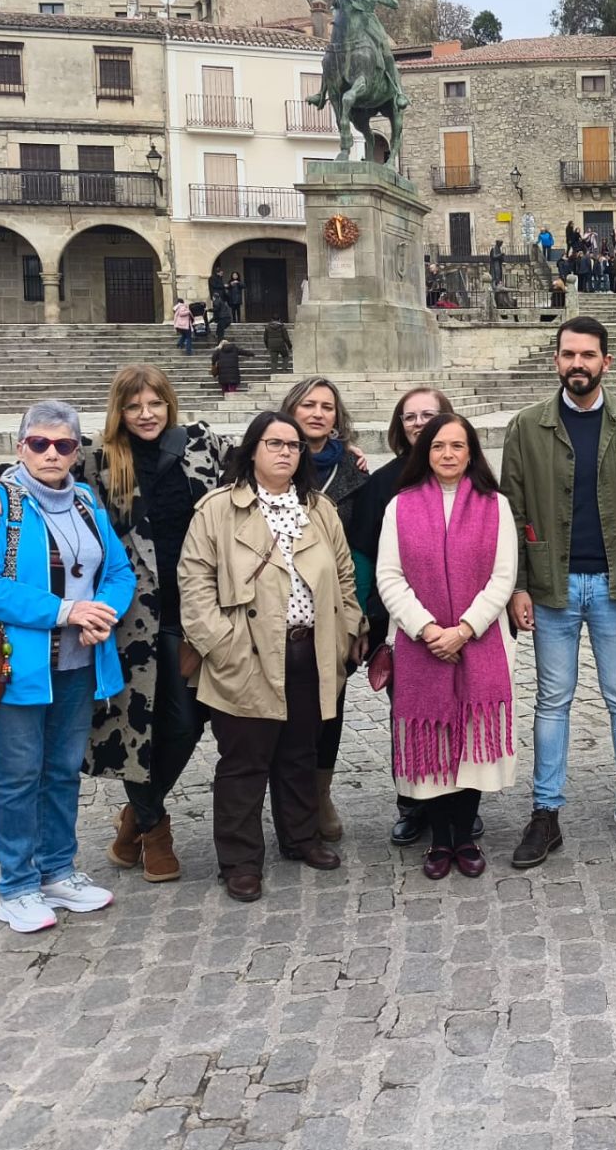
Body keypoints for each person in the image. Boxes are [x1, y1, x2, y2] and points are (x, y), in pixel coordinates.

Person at [0, 369, 232, 885]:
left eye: (155, 403)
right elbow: (37, 464)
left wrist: (345, 458)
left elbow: (267, 457)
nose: (146, 414)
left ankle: (134, 818)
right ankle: (153, 827)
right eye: (134, 406)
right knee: (137, 728)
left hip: (191, 608)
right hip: (125, 623)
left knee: (184, 723)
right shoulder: (96, 457)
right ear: (119, 412)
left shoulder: (204, 446)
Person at [0, 401, 136, 931]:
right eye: (39, 443)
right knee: (17, 776)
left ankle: (57, 870)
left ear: (77, 452)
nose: (51, 453)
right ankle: (16, 885)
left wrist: (103, 613)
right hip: (17, 667)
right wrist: (65, 611)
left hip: (79, 663)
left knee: (61, 771)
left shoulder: (85, 501)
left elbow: (119, 571)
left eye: (62, 444)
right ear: (21, 448)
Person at [179, 411, 366, 903]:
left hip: (311, 649)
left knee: (300, 752)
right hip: (247, 651)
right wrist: (223, 646)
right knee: (244, 760)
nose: (285, 452)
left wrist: (345, 630)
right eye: (274, 443)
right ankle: (240, 859)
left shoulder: (318, 508)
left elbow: (344, 576)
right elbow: (195, 586)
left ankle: (300, 836)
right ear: (253, 449)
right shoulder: (217, 509)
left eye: (294, 445)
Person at [501, 318, 616, 869]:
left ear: (607, 362)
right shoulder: (527, 427)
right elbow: (514, 511)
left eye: (588, 355)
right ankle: (546, 812)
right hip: (553, 586)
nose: (578, 363)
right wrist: (518, 585)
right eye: (569, 354)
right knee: (553, 701)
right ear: (556, 361)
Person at [376, 413, 517, 879]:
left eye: (458, 446)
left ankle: (465, 836)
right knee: (433, 741)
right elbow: (389, 576)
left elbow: (503, 576)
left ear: (472, 452)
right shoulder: (401, 506)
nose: (448, 455)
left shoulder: (495, 505)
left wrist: (465, 628)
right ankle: (439, 840)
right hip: (421, 645)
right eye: (438, 447)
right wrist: (427, 629)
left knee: (471, 741)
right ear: (425, 452)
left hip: (479, 640)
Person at [348, 386, 455, 847]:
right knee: (408, 715)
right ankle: (412, 803)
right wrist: (368, 620)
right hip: (399, 623)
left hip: (460, 621)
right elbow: (365, 558)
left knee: (460, 712)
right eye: (409, 416)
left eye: (428, 414)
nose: (418, 422)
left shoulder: (469, 480)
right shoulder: (381, 483)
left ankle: (459, 804)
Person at [279, 377, 369, 840]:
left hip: (333, 609)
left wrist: (359, 618)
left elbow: (363, 548)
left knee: (328, 706)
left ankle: (320, 792)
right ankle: (287, 803)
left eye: (326, 407)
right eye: (308, 405)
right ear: (291, 409)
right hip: (276, 608)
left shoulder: (353, 470)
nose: (317, 413)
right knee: (279, 710)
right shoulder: (268, 460)